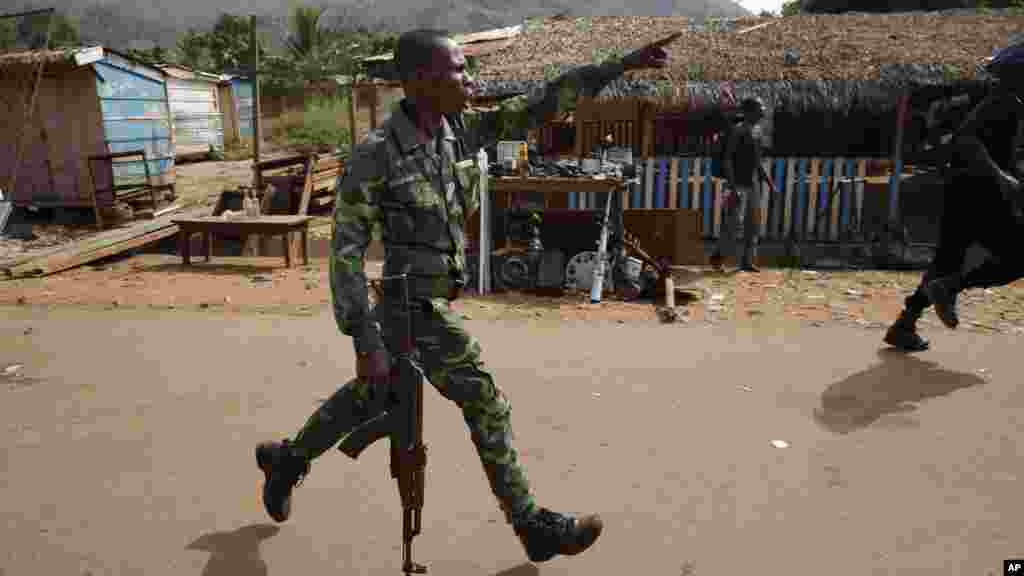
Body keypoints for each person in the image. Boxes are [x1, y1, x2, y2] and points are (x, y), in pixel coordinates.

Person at [254, 29, 681, 563]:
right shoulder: (376, 156)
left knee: (373, 397)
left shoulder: (460, 132)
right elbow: (346, 252)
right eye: (457, 70)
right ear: (419, 80)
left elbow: (544, 101)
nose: (469, 79)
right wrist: (364, 337)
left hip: (433, 302)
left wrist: (622, 63)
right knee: (484, 400)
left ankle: (286, 461)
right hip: (410, 307)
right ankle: (532, 526)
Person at [884, 41, 1024, 352]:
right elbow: (967, 140)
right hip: (981, 193)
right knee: (1017, 258)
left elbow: (990, 148)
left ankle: (904, 324)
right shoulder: (1006, 103)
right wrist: (1003, 180)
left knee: (946, 261)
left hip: (962, 190)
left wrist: (1011, 175)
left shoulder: (998, 101)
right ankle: (951, 288)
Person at [710, 97, 768, 273]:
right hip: (736, 185)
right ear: (749, 111)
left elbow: (758, 162)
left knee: (753, 224)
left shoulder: (757, 132)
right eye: (760, 108)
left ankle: (747, 261)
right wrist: (733, 188)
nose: (763, 111)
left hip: (752, 185)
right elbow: (727, 160)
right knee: (732, 225)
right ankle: (717, 259)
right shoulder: (737, 131)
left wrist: (770, 184)